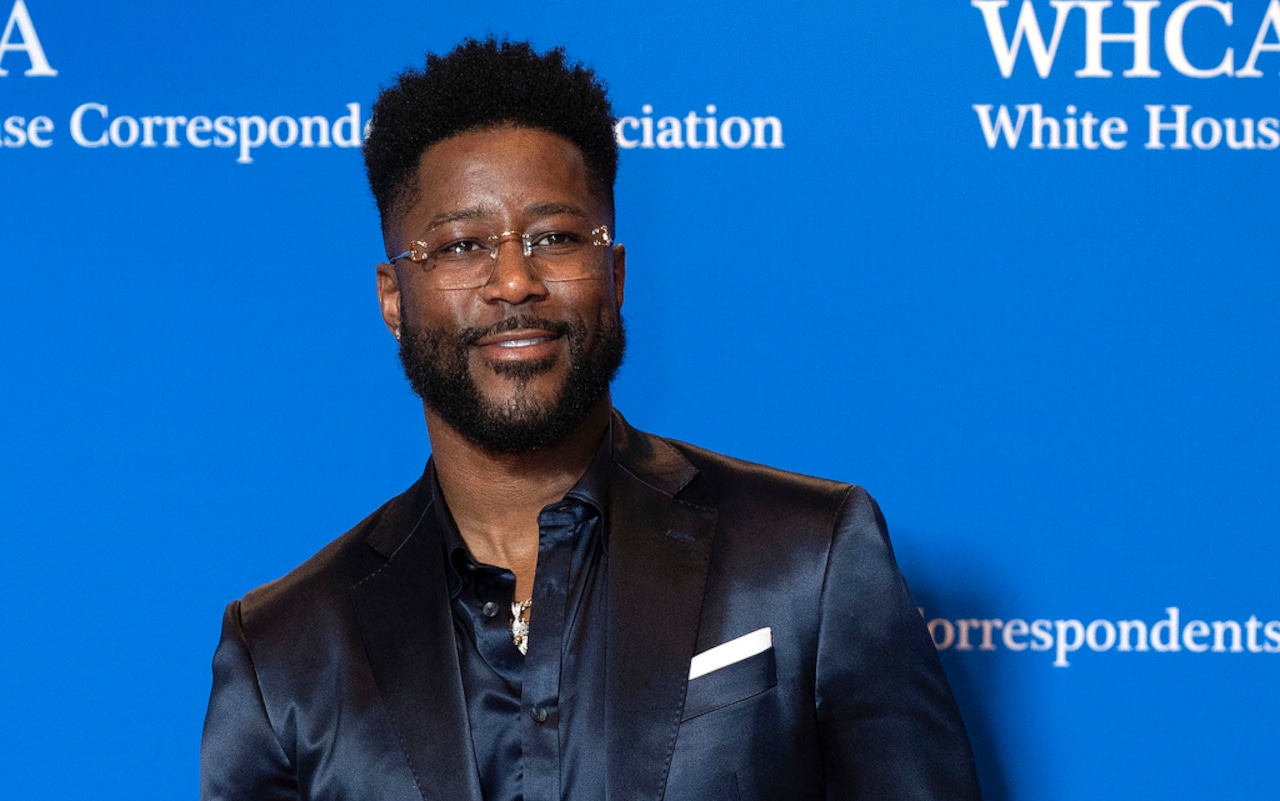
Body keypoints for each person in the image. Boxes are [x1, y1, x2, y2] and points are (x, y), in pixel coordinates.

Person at [200, 38, 982, 801]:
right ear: (393, 299)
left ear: (614, 273)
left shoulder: (808, 558)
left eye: (556, 237)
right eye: (462, 245)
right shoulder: (283, 651)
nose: (515, 280)